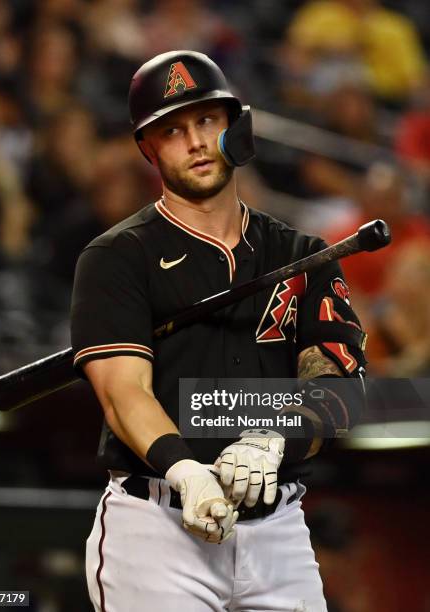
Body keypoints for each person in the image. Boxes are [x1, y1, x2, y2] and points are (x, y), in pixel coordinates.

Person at [71, 50, 367, 612]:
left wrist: (274, 434)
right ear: (148, 149)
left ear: (237, 126)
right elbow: (122, 391)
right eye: (172, 129)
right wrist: (186, 472)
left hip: (279, 529)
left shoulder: (303, 255)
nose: (195, 141)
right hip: (157, 528)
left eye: (206, 120)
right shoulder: (117, 256)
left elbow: (342, 386)